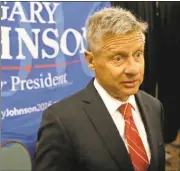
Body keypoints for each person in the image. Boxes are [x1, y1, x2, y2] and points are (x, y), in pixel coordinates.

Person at [34, 7, 165, 171]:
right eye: (118, 58)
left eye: (138, 54)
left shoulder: (154, 107)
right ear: (90, 60)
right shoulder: (61, 121)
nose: (133, 69)